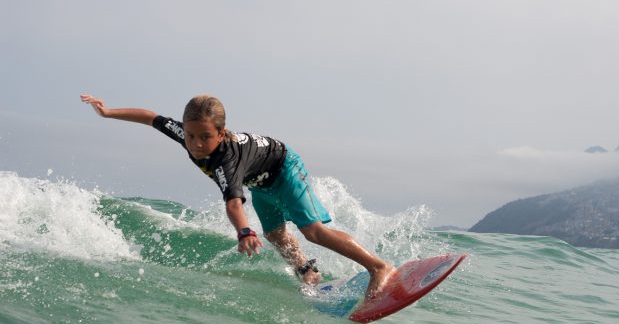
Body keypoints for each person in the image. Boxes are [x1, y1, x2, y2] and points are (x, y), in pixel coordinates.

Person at [80, 93, 395, 299]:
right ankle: (308, 274)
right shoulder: (185, 134)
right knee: (275, 234)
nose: (196, 144)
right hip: (261, 182)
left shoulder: (227, 160)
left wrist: (244, 230)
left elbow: (233, 202)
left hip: (283, 168)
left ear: (221, 132)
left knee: (312, 231)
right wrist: (107, 112)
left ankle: (378, 267)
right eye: (190, 135)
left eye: (206, 137)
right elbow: (150, 117)